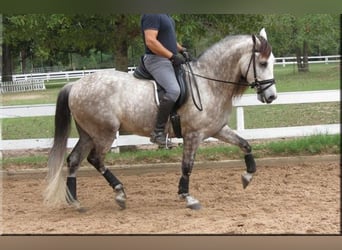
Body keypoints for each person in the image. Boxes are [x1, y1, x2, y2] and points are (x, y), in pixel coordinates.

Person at [141, 14, 186, 147]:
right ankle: (158, 132)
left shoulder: (165, 15)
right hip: (156, 60)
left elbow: (168, 40)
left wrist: (181, 50)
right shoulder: (152, 14)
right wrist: (172, 56)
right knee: (173, 90)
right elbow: (150, 41)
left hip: (167, 59)